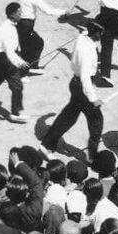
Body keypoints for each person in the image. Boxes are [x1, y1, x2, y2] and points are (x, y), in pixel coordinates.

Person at [41, 21, 105, 162]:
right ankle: (92, 157)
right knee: (96, 121)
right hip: (82, 87)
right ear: (95, 33)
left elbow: (84, 33)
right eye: (100, 33)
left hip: (75, 84)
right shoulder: (87, 51)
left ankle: (47, 144)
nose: (102, 36)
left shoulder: (82, 38)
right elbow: (85, 77)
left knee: (68, 117)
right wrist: (93, 98)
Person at [15, 0, 69, 75]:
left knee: (28, 45)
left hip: (20, 23)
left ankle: (30, 67)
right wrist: (64, 11)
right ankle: (24, 73)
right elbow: (48, 10)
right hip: (26, 24)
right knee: (36, 44)